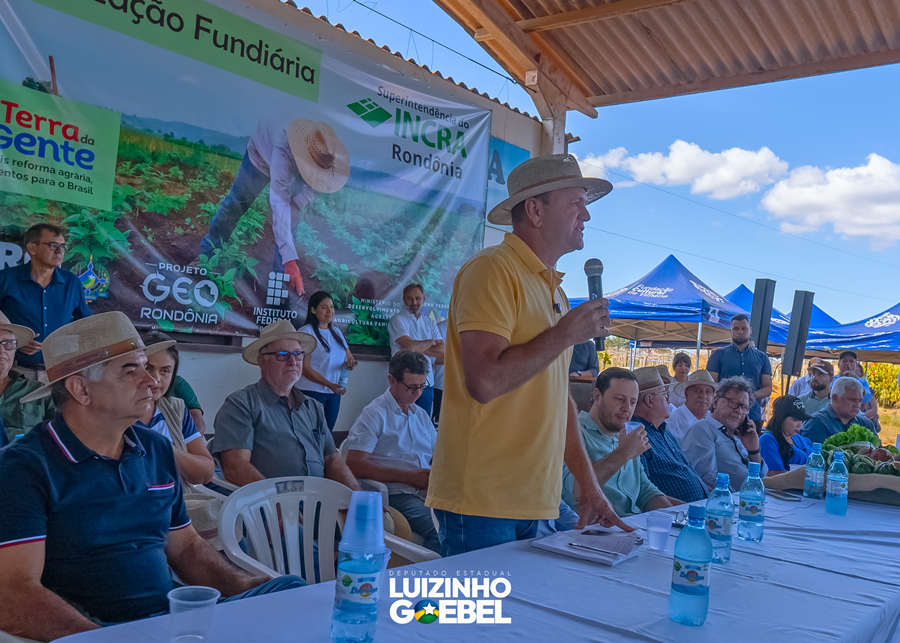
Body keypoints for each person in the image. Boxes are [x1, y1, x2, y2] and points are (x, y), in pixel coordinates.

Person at [0, 312, 302, 640]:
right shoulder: (25, 467)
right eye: (131, 370)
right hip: (96, 630)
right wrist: (102, 638)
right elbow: (14, 593)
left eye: (147, 366)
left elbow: (185, 547)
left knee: (290, 591)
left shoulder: (156, 448)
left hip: (167, 621)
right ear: (81, 389)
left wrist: (246, 584)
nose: (152, 381)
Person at [426, 153, 628, 557]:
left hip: (539, 501)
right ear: (535, 210)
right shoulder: (491, 271)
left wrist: (586, 484)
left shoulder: (554, 290)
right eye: (576, 202)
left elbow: (559, 402)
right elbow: (484, 382)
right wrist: (564, 334)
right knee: (483, 622)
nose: (586, 215)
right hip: (485, 503)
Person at [199, 119, 349, 296]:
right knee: (236, 203)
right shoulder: (284, 144)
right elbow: (280, 205)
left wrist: (296, 207)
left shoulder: (323, 158)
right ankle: (206, 257)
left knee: (291, 224)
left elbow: (307, 193)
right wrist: (291, 262)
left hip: (295, 162)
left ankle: (280, 288)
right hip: (261, 153)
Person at [212, 320, 360, 490]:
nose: (293, 361)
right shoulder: (241, 404)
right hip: (266, 510)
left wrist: (357, 497)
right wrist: (278, 503)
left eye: (298, 354)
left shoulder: (313, 407)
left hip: (320, 504)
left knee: (385, 516)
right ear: (262, 362)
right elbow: (235, 467)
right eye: (282, 354)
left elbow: (331, 459)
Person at [344, 351, 440, 553]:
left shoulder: (420, 414)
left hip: (427, 491)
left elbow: (439, 455)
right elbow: (354, 464)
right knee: (440, 530)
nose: (418, 393)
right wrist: (409, 478)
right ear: (392, 380)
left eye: (422, 386)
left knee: (465, 522)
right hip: (395, 495)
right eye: (412, 387)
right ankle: (427, 578)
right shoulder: (375, 414)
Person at [562, 368, 681, 518]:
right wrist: (624, 452)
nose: (627, 408)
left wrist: (679, 518)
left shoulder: (627, 436)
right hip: (595, 533)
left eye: (633, 402)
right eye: (619, 399)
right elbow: (576, 492)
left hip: (633, 530)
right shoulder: (573, 434)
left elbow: (645, 491)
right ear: (597, 396)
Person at [0, 224, 92, 381]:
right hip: (14, 371)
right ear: (32, 248)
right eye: (53, 245)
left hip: (59, 373)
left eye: (62, 246)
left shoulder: (72, 282)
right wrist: (16, 342)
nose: (59, 251)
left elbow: (87, 325)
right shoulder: (6, 279)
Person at [137, 331, 215, 485]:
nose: (155, 379)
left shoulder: (176, 409)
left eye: (165, 371)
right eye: (148, 368)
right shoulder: (112, 412)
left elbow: (205, 473)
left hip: (175, 504)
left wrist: (165, 449)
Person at [631, 367, 709, 504]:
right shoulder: (637, 437)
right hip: (674, 517)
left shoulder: (665, 433)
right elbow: (643, 493)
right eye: (664, 395)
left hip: (695, 510)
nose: (669, 401)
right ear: (649, 400)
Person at [681, 376, 768, 490]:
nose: (739, 411)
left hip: (751, 500)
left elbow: (761, 477)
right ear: (715, 401)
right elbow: (706, 481)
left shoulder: (739, 439)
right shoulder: (702, 430)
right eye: (733, 403)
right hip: (728, 503)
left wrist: (753, 450)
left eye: (744, 407)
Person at [297, 291, 357, 431]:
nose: (330, 311)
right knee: (310, 434)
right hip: (311, 392)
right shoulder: (306, 332)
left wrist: (350, 364)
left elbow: (350, 359)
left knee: (326, 435)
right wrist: (329, 384)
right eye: (324, 307)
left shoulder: (336, 332)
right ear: (313, 309)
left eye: (331, 307)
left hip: (333, 394)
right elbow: (304, 368)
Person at [707, 314, 772, 430]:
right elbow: (711, 385)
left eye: (744, 328)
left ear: (750, 330)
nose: (740, 332)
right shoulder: (717, 355)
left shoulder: (762, 358)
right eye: (736, 329)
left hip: (752, 415)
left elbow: (767, 388)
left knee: (751, 448)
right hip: (724, 415)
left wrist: (748, 397)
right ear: (730, 331)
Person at [387, 284, 444, 415]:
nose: (414, 302)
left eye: (418, 298)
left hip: (427, 384)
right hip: (404, 382)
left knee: (422, 426)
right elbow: (409, 346)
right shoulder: (397, 320)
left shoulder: (430, 322)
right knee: (401, 424)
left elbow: (443, 351)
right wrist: (430, 342)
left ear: (423, 299)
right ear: (404, 299)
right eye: (410, 298)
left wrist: (415, 348)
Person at [0, 312, 54, 443]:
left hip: (26, 460)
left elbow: (61, 435)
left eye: (8, 343)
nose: (2, 351)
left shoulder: (40, 392)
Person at [800, 377, 877, 445]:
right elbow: (816, 457)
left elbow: (879, 454)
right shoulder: (816, 423)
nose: (857, 405)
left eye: (860, 401)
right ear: (835, 398)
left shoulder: (866, 424)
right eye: (852, 400)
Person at [760, 395, 814, 475]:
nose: (800, 425)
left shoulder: (804, 440)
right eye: (795, 420)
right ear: (780, 419)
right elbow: (774, 474)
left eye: (801, 420)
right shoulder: (767, 440)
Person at [666, 370, 716, 444]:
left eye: (708, 392)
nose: (703, 396)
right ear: (686, 393)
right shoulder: (672, 424)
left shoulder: (714, 422)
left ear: (713, 397)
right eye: (698, 390)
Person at [432, 318, 448, 424]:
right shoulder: (441, 327)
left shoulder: (473, 328)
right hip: (441, 386)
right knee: (438, 425)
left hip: (464, 388)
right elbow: (434, 359)